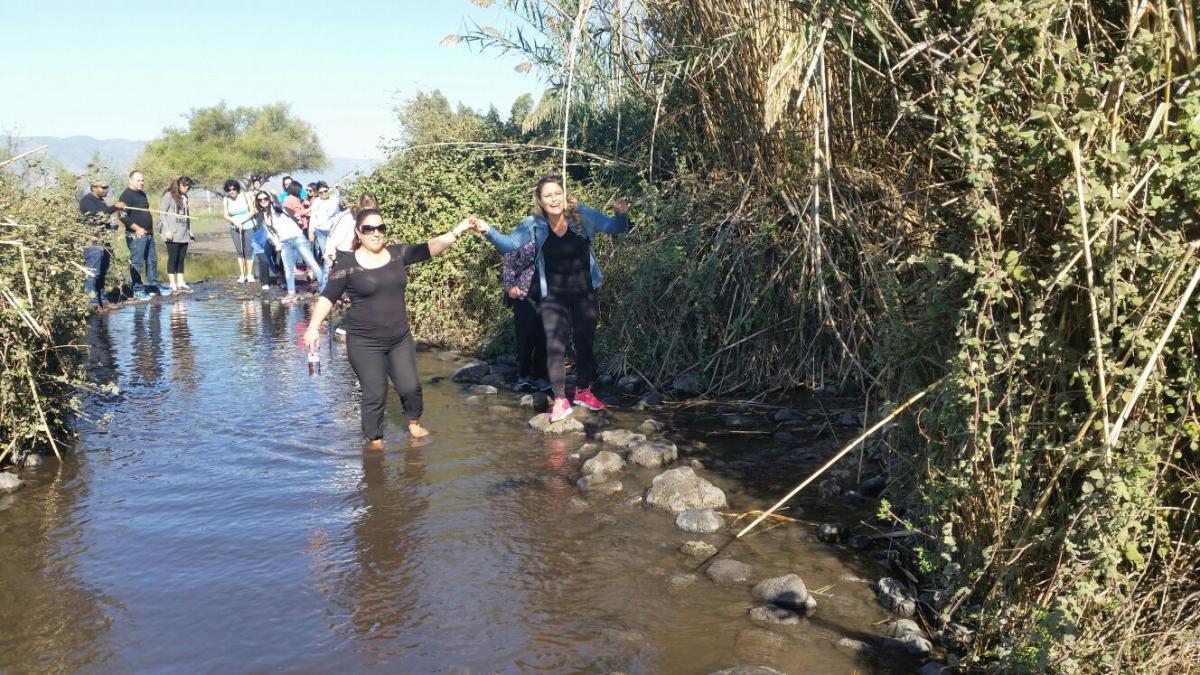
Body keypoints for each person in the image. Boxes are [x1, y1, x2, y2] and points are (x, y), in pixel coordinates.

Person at [302, 209, 475, 448]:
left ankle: (413, 423)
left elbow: (430, 247)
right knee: (375, 393)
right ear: (358, 233)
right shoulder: (347, 264)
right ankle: (375, 441)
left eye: (380, 228)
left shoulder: (396, 254)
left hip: (399, 338)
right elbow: (328, 296)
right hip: (364, 342)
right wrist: (313, 327)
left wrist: (459, 230)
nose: (376, 233)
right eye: (369, 229)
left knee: (410, 386)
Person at [473, 175, 629, 422]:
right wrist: (488, 230)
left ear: (564, 194)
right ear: (540, 200)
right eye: (548, 195)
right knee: (554, 346)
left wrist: (621, 214)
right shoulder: (533, 225)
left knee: (585, 343)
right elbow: (508, 245)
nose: (554, 199)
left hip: (585, 293)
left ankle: (584, 391)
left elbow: (615, 228)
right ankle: (559, 400)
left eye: (558, 193)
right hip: (553, 296)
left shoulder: (582, 216)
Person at [253, 191, 325, 302]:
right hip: (284, 242)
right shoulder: (262, 216)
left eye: (265, 198)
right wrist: (277, 243)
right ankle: (291, 293)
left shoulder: (276, 208)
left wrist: (274, 195)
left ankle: (324, 288)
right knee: (288, 268)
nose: (263, 201)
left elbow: (277, 201)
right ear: (257, 202)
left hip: (297, 238)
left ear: (269, 199)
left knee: (311, 263)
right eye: (260, 200)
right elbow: (270, 233)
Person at [502, 243, 549, 392]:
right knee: (525, 335)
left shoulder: (551, 233)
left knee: (545, 336)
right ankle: (523, 376)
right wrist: (510, 287)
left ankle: (540, 376)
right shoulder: (520, 236)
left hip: (548, 293)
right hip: (523, 291)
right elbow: (509, 261)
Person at [79, 178, 125, 309]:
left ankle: (103, 301)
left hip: (104, 242)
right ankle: (93, 303)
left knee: (103, 272)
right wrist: (114, 207)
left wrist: (112, 227)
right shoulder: (87, 201)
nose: (106, 190)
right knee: (93, 273)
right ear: (94, 188)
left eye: (106, 187)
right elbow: (97, 215)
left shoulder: (101, 201)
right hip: (92, 242)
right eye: (103, 187)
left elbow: (103, 219)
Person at [118, 170, 163, 300]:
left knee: (152, 261)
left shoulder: (142, 194)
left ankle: (152, 287)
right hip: (136, 235)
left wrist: (150, 230)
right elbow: (121, 215)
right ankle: (137, 289)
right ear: (130, 181)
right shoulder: (126, 195)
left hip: (148, 234)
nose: (141, 183)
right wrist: (137, 229)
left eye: (142, 180)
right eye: (138, 180)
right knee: (137, 262)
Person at [159, 176, 195, 293]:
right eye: (185, 186)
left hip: (183, 233)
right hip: (172, 233)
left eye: (189, 187)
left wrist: (190, 230)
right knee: (173, 258)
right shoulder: (168, 195)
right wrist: (167, 230)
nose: (187, 189)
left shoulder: (185, 197)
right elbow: (162, 214)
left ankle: (180, 282)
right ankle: (172, 283)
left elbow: (187, 215)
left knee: (181, 258)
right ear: (179, 184)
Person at [222, 179, 257, 283]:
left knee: (249, 250)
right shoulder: (226, 199)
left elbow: (252, 211)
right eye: (229, 190)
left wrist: (241, 221)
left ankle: (250, 274)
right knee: (240, 251)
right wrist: (235, 221)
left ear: (237, 189)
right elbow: (225, 215)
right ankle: (242, 274)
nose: (231, 191)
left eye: (233, 189)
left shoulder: (246, 196)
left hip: (249, 225)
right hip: (235, 227)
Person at [308, 181, 339, 267]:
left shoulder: (335, 199)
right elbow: (313, 216)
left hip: (332, 231)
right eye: (320, 193)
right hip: (320, 231)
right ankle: (328, 273)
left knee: (334, 253)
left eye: (325, 191)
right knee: (325, 254)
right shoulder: (317, 201)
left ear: (328, 190)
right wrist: (311, 231)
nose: (323, 194)